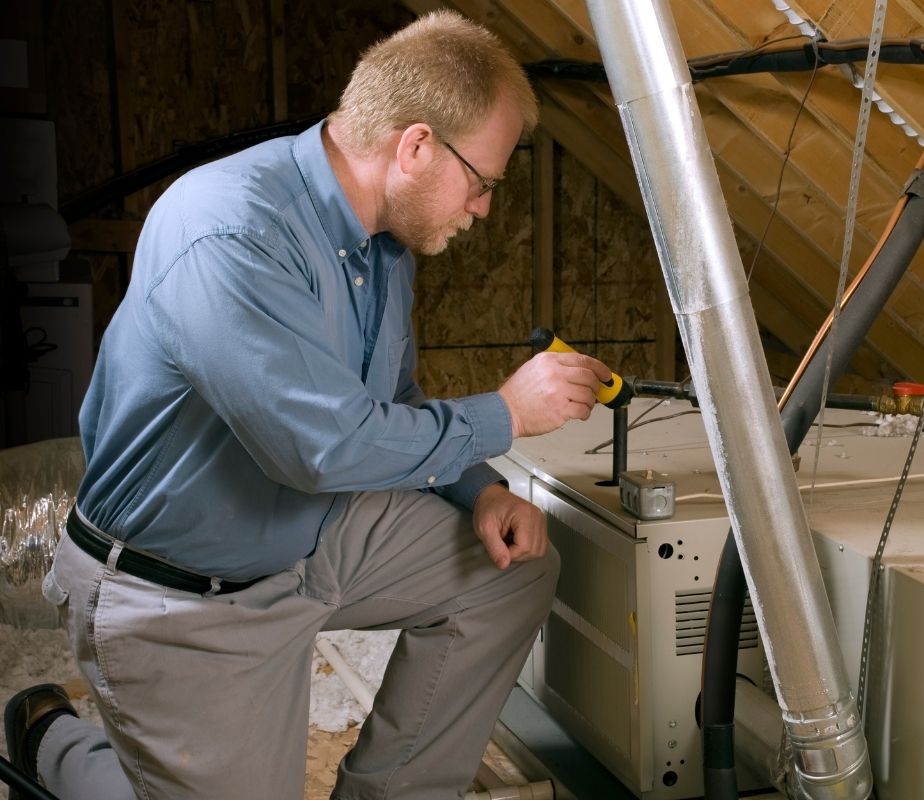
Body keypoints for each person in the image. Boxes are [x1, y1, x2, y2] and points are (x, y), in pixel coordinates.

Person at [4, 11, 612, 800]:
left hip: (305, 536)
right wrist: (507, 412)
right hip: (181, 596)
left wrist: (482, 488)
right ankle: (51, 742)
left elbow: (390, 404)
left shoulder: (382, 243)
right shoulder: (229, 228)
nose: (484, 208)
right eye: (483, 181)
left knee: (511, 571)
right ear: (417, 145)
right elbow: (320, 448)